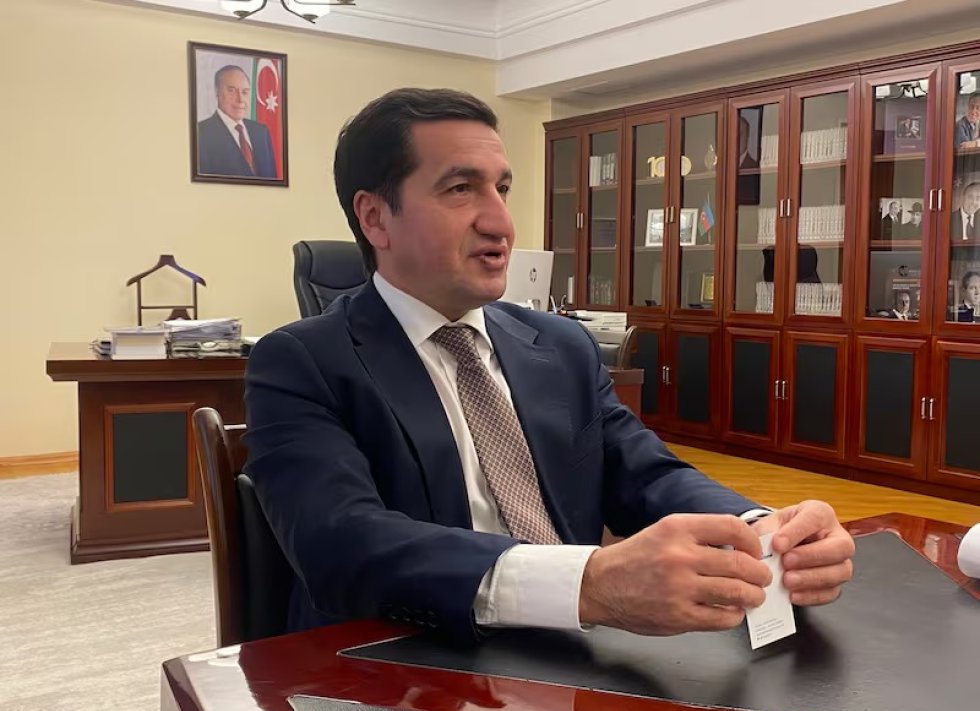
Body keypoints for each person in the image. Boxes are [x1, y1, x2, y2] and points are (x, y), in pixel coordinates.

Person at [244, 88, 854, 642]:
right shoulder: (302, 362)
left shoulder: (560, 345)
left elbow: (644, 474)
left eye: (502, 189)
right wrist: (591, 584)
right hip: (400, 665)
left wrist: (759, 529)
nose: (500, 222)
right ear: (375, 217)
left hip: (575, 655)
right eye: (460, 189)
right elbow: (341, 544)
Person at [197, 65, 277, 178]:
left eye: (245, 92)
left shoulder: (261, 132)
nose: (240, 99)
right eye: (232, 91)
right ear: (217, 92)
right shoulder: (200, 133)